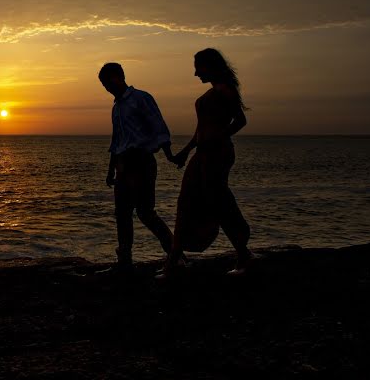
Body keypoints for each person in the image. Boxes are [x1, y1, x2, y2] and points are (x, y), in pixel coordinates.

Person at [161, 48, 254, 278]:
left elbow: (240, 120)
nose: (195, 73)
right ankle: (173, 260)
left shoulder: (225, 90)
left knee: (218, 203)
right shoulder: (211, 93)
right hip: (202, 154)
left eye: (198, 67)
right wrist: (185, 151)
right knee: (186, 201)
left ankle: (243, 254)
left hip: (218, 154)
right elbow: (200, 130)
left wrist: (220, 137)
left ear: (209, 66)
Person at [98, 62, 176, 271]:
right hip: (123, 165)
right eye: (103, 84)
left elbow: (158, 126)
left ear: (118, 77)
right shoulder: (116, 108)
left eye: (107, 82)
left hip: (141, 162)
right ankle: (124, 260)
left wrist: (169, 154)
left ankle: (175, 255)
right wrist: (110, 170)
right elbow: (117, 141)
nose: (106, 87)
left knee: (145, 212)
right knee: (122, 213)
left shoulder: (141, 98)